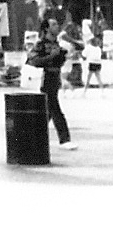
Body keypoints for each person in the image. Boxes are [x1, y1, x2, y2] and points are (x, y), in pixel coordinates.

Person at [26, 18, 75, 149]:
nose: (57, 26)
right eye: (53, 24)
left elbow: (58, 62)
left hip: (55, 78)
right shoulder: (41, 44)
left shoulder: (57, 44)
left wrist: (62, 56)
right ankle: (64, 139)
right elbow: (33, 61)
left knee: (46, 112)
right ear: (47, 28)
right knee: (55, 109)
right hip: (46, 78)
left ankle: (31, 137)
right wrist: (51, 56)